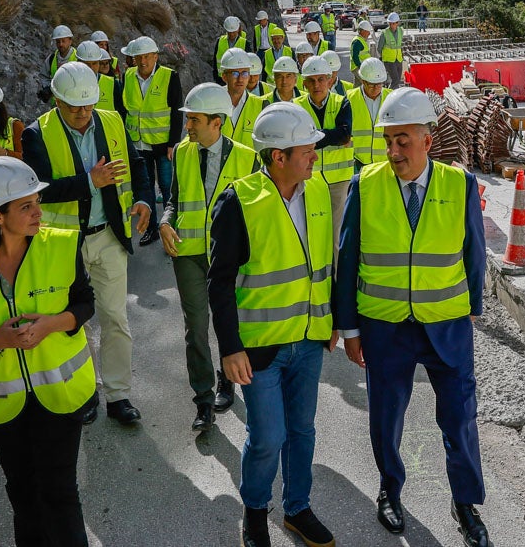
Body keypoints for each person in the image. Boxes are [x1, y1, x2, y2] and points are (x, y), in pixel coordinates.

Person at [333, 87, 491, 547]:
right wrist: (350, 329)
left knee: (460, 418)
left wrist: (473, 310)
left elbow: (474, 254)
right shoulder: (367, 183)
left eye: (403, 140)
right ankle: (389, 489)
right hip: (385, 327)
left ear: (428, 137)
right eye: (388, 140)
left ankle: (465, 504)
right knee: (386, 415)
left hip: (447, 325)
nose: (393, 150)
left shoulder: (458, 184)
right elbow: (348, 260)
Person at [0, 157, 96, 547]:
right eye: (26, 206)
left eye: (36, 202)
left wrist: (49, 325)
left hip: (60, 394)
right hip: (1, 402)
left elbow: (84, 303)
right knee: (24, 494)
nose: (38, 212)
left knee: (60, 491)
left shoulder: (61, 245)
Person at [207, 102, 338, 547]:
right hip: (259, 347)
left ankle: (297, 509)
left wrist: (330, 320)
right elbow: (220, 283)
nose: (315, 157)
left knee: (302, 430)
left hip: (308, 339)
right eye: (307, 150)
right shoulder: (239, 201)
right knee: (267, 436)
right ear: (278, 157)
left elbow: (325, 263)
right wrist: (229, 348)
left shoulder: (317, 191)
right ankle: (256, 511)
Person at [23, 62, 151, 426]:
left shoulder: (111, 121)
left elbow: (137, 165)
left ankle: (118, 395)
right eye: (73, 106)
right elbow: (41, 189)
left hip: (108, 236)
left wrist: (144, 199)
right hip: (62, 244)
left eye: (88, 105)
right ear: (57, 100)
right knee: (72, 323)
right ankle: (83, 391)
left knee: (115, 318)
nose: (82, 113)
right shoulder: (36, 134)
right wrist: (90, 181)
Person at [160, 83, 259, 431]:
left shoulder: (248, 157)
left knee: (227, 321)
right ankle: (203, 400)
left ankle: (227, 380)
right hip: (187, 252)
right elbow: (173, 199)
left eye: (195, 120)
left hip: (226, 257)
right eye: (188, 120)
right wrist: (164, 221)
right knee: (196, 328)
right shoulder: (183, 152)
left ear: (217, 122)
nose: (188, 127)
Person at [119, 36, 182, 247]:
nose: (143, 61)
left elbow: (176, 111)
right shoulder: (127, 76)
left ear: (155, 56)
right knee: (145, 188)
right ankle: (152, 229)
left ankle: (170, 226)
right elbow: (123, 110)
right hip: (138, 144)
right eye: (139, 57)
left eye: (147, 56)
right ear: (133, 59)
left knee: (166, 186)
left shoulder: (169, 76)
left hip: (162, 144)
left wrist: (173, 142)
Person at [294, 56, 354, 242]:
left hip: (339, 181)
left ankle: (336, 272)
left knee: (336, 236)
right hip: (308, 180)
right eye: (311, 80)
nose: (316, 85)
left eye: (321, 79)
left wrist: (312, 137)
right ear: (304, 83)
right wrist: (330, 136)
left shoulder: (341, 103)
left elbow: (344, 135)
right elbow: (297, 140)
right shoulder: (297, 107)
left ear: (329, 80)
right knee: (312, 234)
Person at [348, 58, 389, 171]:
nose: (376, 88)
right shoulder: (349, 99)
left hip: (385, 163)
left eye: (379, 84)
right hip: (357, 162)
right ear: (362, 80)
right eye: (371, 84)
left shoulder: (391, 98)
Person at [219, 50, 265, 149]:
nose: (240, 79)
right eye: (235, 74)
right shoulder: (212, 103)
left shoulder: (261, 105)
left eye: (244, 73)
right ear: (224, 76)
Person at [77, 40, 118, 112]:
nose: (91, 68)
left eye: (94, 63)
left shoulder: (114, 84)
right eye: (87, 64)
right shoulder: (70, 83)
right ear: (78, 63)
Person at [214, 16, 248, 83]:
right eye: (229, 32)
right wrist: (216, 77)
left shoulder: (245, 43)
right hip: (222, 78)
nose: (232, 34)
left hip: (238, 79)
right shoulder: (220, 41)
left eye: (234, 32)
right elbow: (215, 61)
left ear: (238, 29)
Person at [378, 14, 406, 89]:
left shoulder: (400, 31)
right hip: (389, 60)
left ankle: (392, 94)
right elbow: (379, 48)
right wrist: (384, 56)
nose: (391, 25)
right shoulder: (384, 33)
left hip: (398, 59)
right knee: (395, 79)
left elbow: (399, 45)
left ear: (397, 23)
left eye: (393, 23)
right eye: (390, 23)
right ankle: (389, 95)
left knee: (397, 80)